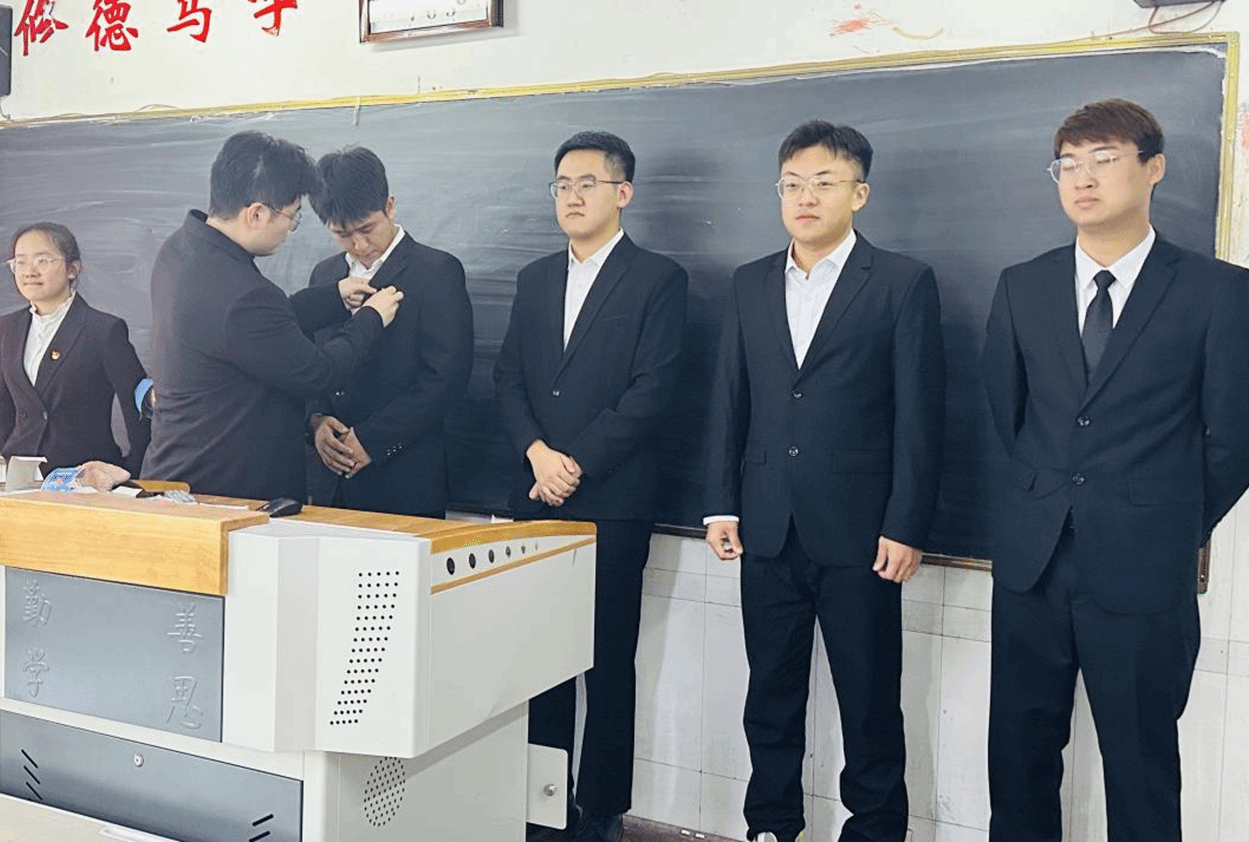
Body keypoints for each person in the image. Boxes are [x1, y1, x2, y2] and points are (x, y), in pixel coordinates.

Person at [981, 98, 1249, 842]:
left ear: (1153, 168)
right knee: (1018, 760)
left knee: (1140, 767)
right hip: (1034, 565)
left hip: (1143, 569)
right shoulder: (1022, 285)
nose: (1083, 178)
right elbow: (1006, 417)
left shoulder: (1216, 290)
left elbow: (1235, 437)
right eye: (1067, 164)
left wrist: (1165, 521)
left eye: (1103, 159)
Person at [703, 120, 945, 842]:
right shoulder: (749, 282)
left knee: (869, 702)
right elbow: (728, 399)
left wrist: (907, 522)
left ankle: (875, 831)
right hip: (767, 524)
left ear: (859, 193)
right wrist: (720, 504)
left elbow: (921, 414)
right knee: (770, 698)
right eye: (792, 184)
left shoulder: (901, 282)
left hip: (862, 533)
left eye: (823, 183)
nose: (805, 197)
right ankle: (771, 826)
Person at [494, 130, 687, 842]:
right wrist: (537, 454)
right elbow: (508, 378)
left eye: (588, 184)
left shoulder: (658, 279)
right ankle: (542, 807)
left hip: (613, 499)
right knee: (537, 662)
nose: (572, 197)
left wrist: (572, 464)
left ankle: (600, 811)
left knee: (607, 665)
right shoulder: (534, 278)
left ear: (623, 193)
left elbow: (652, 391)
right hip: (535, 496)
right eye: (562, 185)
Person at [141, 131, 404, 499]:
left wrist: (333, 297)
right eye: (292, 217)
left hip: (176, 473)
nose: (288, 231)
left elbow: (253, 333)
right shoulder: (244, 295)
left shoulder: (181, 249)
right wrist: (371, 318)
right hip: (224, 492)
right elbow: (318, 372)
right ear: (256, 214)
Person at [305, 146, 474, 518]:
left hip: (404, 480)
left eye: (367, 229)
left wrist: (372, 440)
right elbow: (312, 362)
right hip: (330, 484)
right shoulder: (324, 275)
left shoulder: (437, 271)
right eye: (342, 234)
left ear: (390, 206)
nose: (360, 245)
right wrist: (316, 420)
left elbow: (446, 379)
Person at [0, 221, 152, 476]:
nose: (29, 271)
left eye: (42, 261)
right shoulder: (7, 327)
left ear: (72, 269)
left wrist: (131, 472)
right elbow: (1, 406)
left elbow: (137, 407)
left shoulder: (103, 330)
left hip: (86, 478)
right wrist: (12, 455)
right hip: (24, 478)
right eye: (20, 262)